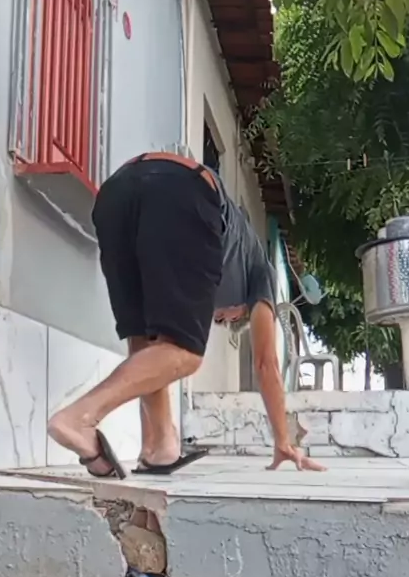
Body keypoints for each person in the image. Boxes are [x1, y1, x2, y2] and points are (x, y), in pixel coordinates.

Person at [48, 151, 325, 478]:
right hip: (183, 188)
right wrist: (283, 440)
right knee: (187, 353)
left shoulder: (229, 261)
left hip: (117, 193)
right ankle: (80, 418)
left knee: (145, 341)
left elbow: (149, 354)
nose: (216, 317)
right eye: (222, 319)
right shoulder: (260, 271)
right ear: (239, 313)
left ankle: (159, 447)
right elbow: (267, 363)